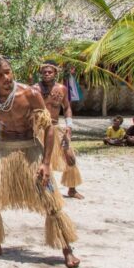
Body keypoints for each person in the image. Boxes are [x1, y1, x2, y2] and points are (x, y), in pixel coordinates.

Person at [0, 52, 79, 268]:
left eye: (8, 72)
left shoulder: (29, 94)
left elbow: (48, 128)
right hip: (5, 152)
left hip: (31, 149)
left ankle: (67, 248)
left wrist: (46, 162)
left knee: (50, 200)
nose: (6, 78)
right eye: (0, 75)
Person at [34, 61, 84, 199]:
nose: (47, 74)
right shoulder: (34, 89)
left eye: (50, 72)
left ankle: (72, 189)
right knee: (41, 160)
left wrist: (69, 126)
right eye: (44, 72)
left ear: (56, 73)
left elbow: (67, 108)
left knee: (70, 157)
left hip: (56, 128)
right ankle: (42, 189)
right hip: (39, 129)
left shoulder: (62, 89)